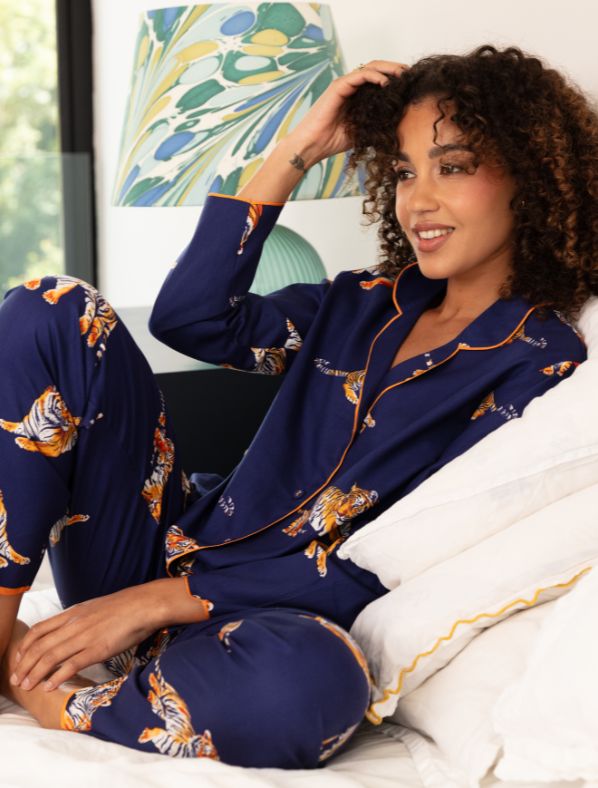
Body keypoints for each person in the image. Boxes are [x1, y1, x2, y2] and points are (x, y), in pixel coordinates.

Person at [0, 43, 596, 767]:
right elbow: (191, 319)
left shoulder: (543, 365)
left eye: (453, 166)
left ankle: (51, 696)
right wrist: (299, 151)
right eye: (403, 171)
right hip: (153, 546)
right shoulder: (362, 302)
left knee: (316, 684)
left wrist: (161, 602)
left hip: (264, 621)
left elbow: (411, 552)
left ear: (531, 176)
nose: (417, 201)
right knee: (51, 308)